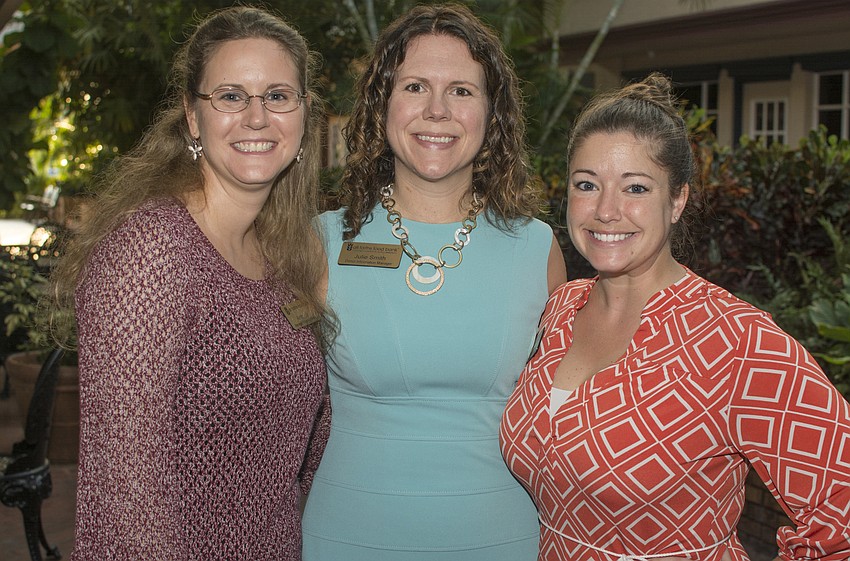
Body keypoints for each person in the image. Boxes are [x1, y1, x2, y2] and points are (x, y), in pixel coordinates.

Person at [499, 72, 850, 561]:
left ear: (678, 199)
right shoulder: (559, 309)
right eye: (587, 184)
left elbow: (842, 510)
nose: (606, 210)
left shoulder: (735, 341)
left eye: (636, 188)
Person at [51, 6, 330, 559]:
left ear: (303, 115)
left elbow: (295, 444)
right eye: (230, 96)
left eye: (278, 95)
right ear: (192, 116)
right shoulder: (152, 249)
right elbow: (126, 487)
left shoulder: (280, 252)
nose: (257, 117)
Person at [301, 3, 567, 560]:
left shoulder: (538, 248)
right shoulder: (319, 242)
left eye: (463, 91)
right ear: (382, 105)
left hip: (501, 538)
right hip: (350, 536)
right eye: (416, 86)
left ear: (492, 114)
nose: (438, 110)